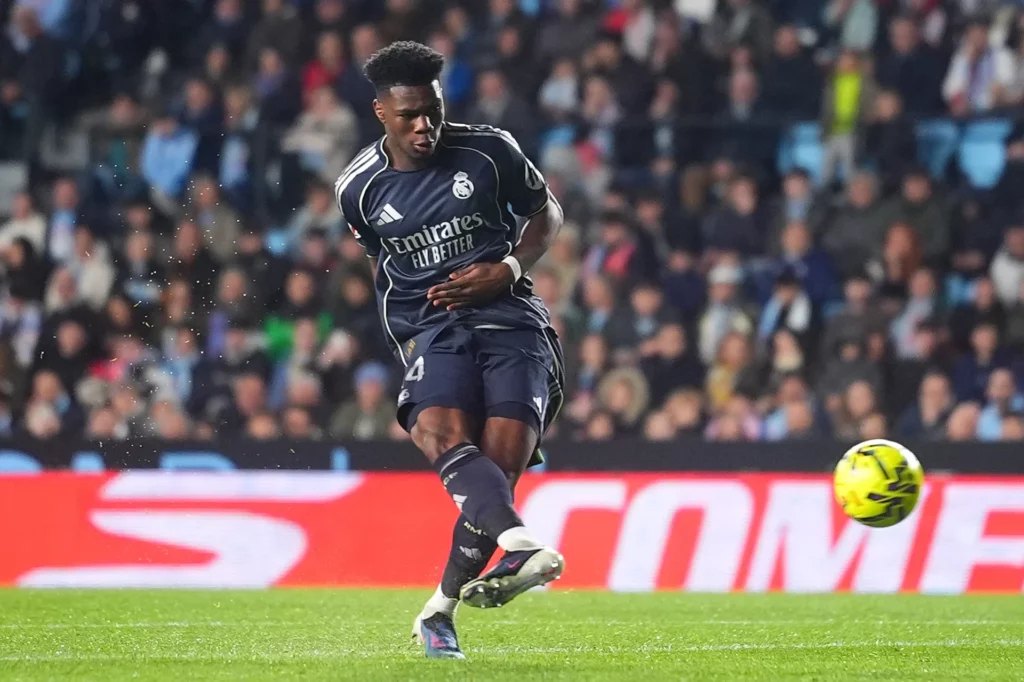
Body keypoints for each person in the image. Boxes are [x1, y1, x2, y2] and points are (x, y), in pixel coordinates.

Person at [334, 41, 566, 660]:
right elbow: (381, 257)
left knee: (497, 472)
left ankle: (439, 610)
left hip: (512, 320)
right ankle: (522, 548)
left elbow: (548, 215)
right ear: (381, 110)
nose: (424, 126)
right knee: (437, 432)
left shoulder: (491, 152)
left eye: (432, 110)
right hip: (431, 330)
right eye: (409, 114)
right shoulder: (358, 189)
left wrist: (510, 265)